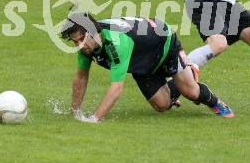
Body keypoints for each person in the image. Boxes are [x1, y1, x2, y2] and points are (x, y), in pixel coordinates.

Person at [60, 12, 235, 123]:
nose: (80, 45)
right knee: (161, 106)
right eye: (75, 41)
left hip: (163, 42)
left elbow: (116, 88)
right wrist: (74, 112)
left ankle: (215, 102)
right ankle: (182, 79)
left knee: (191, 92)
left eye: (82, 39)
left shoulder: (116, 44)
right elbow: (81, 77)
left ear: (93, 31)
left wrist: (94, 118)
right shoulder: (87, 46)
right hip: (141, 58)